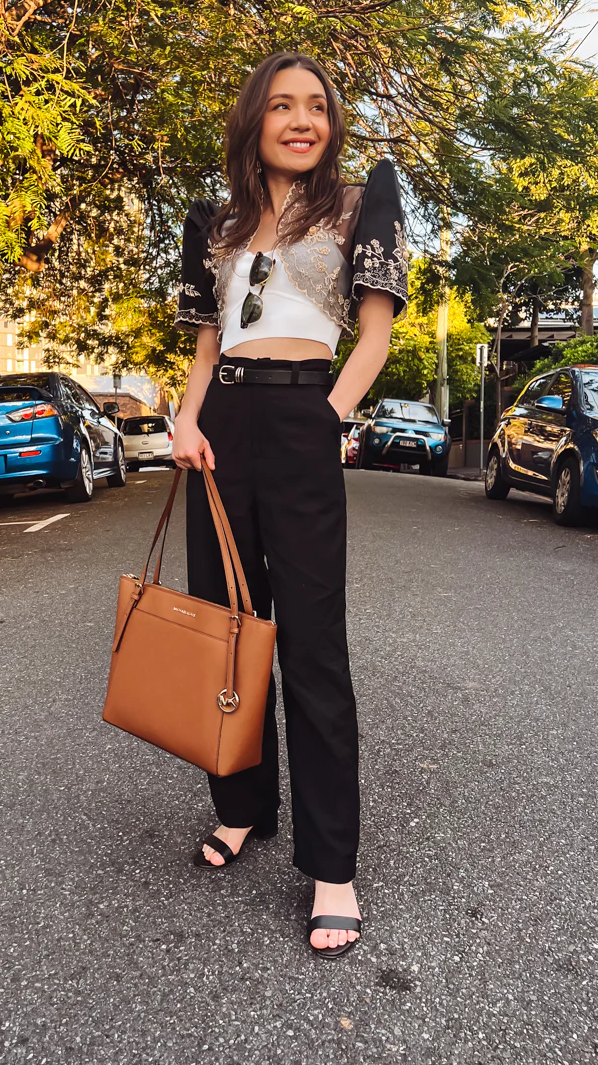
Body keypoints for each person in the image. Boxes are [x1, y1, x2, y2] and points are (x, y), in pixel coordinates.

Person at [172, 51, 407, 958]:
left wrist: (329, 419)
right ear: (254, 122)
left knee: (311, 643)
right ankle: (241, 809)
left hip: (305, 413)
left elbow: (375, 334)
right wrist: (185, 425)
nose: (302, 120)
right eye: (282, 106)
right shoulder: (218, 223)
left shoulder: (358, 205)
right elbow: (203, 347)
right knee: (230, 628)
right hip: (220, 425)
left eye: (316, 106)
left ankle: (332, 864)